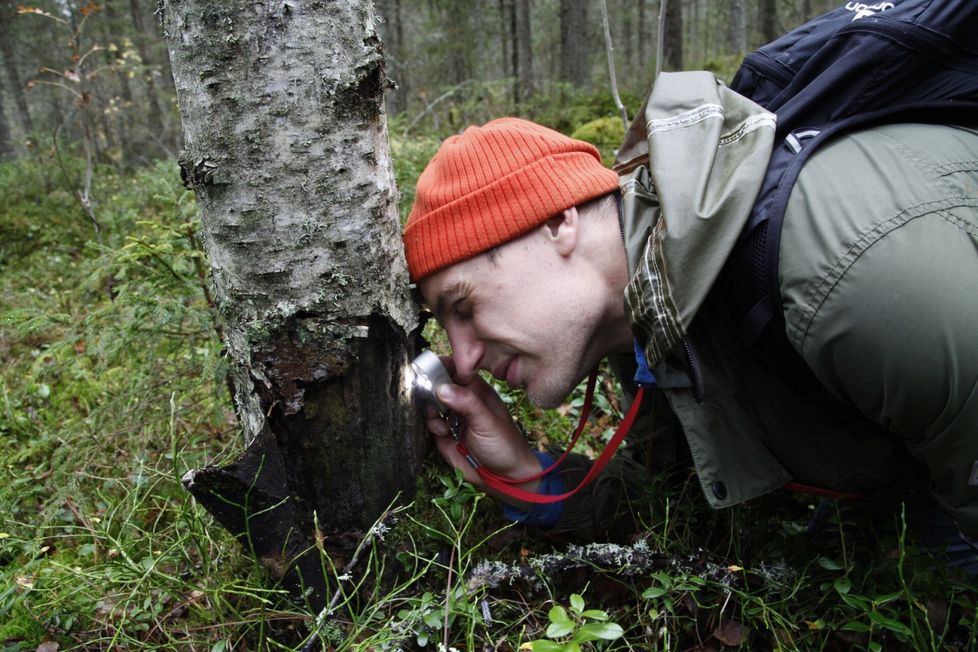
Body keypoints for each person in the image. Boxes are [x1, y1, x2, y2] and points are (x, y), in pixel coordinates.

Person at [401, 71, 978, 568]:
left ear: (559, 224)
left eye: (465, 307)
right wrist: (528, 472)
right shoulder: (651, 312)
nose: (466, 359)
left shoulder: (849, 282)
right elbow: (676, 504)